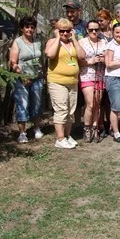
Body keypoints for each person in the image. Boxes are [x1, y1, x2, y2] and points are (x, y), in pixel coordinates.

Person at [45, 18, 84, 149]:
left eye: (67, 31)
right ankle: (60, 138)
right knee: (61, 109)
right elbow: (50, 54)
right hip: (57, 81)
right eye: (62, 31)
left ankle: (67, 135)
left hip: (72, 81)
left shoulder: (73, 43)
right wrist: (57, 38)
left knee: (71, 110)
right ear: (57, 31)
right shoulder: (52, 42)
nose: (65, 34)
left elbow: (82, 56)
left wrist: (74, 40)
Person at [9, 16, 44, 143]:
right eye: (27, 27)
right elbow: (13, 62)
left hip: (37, 78)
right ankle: (22, 132)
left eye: (32, 27)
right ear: (22, 28)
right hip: (22, 79)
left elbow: (41, 59)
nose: (29, 29)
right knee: (22, 104)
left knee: (37, 104)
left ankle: (36, 128)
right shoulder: (17, 42)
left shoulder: (38, 41)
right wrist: (23, 76)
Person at [78, 19, 107, 143]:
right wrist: (91, 61)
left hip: (100, 75)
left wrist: (103, 59)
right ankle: (87, 128)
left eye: (97, 29)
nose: (94, 32)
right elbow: (79, 59)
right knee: (90, 103)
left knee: (97, 103)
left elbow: (109, 57)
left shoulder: (104, 42)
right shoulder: (82, 42)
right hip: (86, 75)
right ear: (87, 30)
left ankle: (95, 127)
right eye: (91, 30)